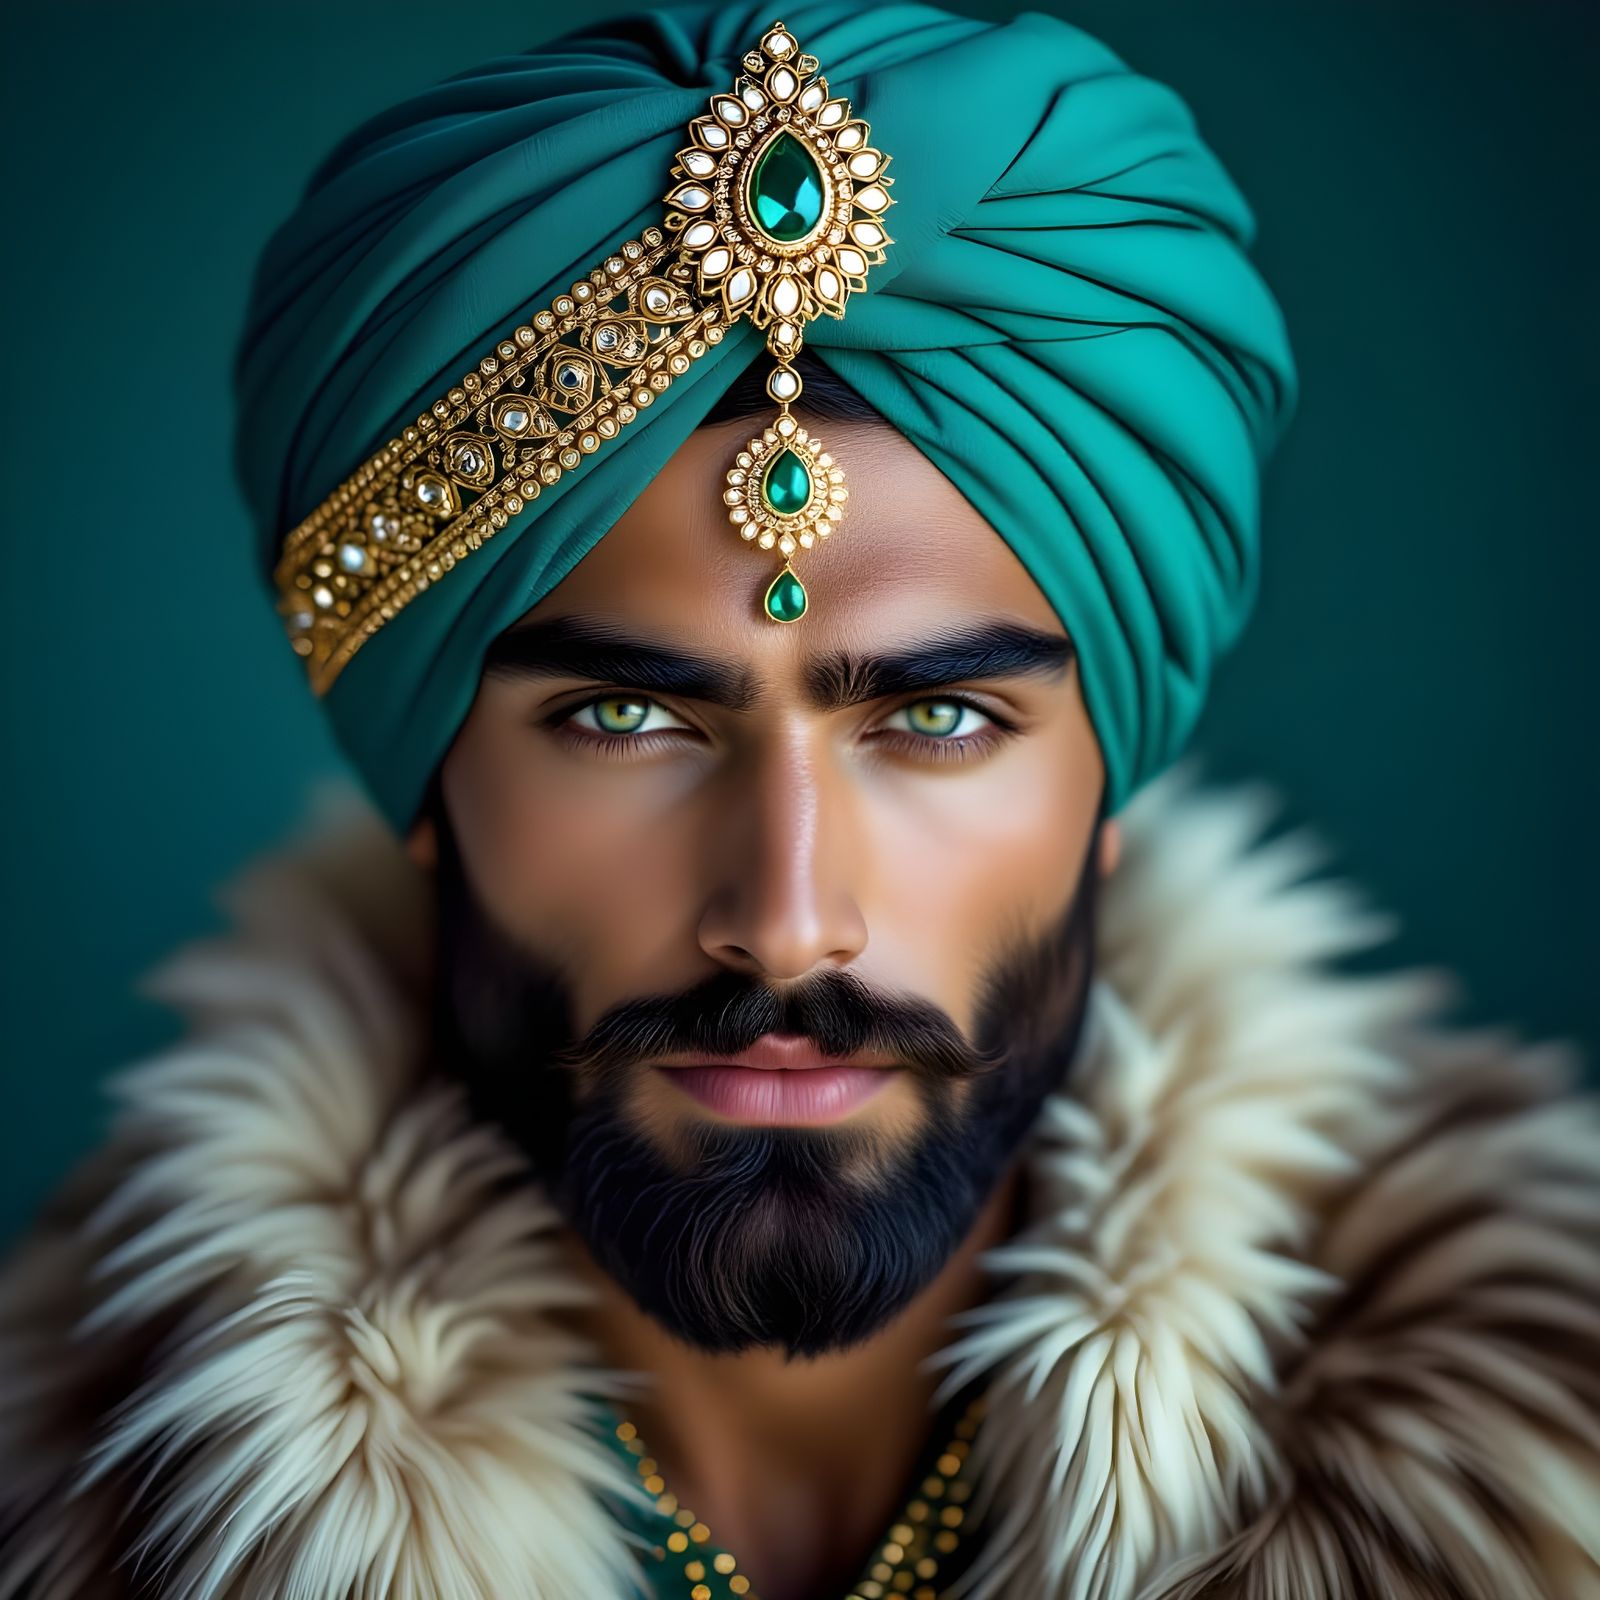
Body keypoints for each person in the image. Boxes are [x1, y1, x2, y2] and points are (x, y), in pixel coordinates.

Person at [2, 4, 1595, 1597]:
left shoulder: (1539, 1478)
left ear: (1111, 782)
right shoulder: (73, 1515)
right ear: (425, 783)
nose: (783, 923)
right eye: (626, 717)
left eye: (941, 718)